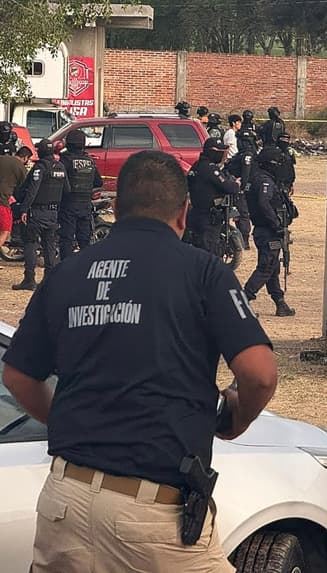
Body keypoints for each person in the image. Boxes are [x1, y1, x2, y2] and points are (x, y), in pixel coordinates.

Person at [1, 149, 277, 573]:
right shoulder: (203, 272)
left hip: (64, 502)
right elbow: (259, 374)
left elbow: (18, 375)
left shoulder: (68, 272)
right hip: (151, 513)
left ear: (116, 207)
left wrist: (74, 421)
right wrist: (235, 419)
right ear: (184, 212)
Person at [243, 146, 296, 317]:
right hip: (268, 231)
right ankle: (243, 300)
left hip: (264, 230)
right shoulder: (264, 181)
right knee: (266, 268)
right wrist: (276, 225)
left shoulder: (258, 177)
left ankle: (280, 303)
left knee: (272, 268)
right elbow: (264, 204)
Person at [12, 140, 68, 291]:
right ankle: (49, 280)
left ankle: (29, 279)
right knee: (49, 245)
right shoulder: (61, 167)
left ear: (41, 152)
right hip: (53, 212)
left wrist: (24, 209)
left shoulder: (40, 167)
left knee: (30, 243)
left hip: (37, 212)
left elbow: (32, 190)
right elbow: (67, 190)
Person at [186, 138, 239, 256]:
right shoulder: (210, 169)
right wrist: (236, 184)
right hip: (209, 217)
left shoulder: (196, 166)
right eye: (220, 152)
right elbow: (228, 187)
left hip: (196, 213)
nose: (222, 155)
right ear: (213, 152)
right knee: (209, 251)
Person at [58, 129, 103, 260]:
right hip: (85, 206)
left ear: (68, 143)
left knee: (66, 240)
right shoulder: (90, 161)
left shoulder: (64, 160)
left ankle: (65, 267)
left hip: (68, 205)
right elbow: (98, 182)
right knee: (84, 240)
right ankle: (85, 267)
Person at [224, 135, 256, 249]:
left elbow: (246, 173)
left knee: (243, 214)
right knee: (238, 214)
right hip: (237, 187)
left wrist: (241, 187)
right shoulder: (240, 155)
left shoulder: (247, 155)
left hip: (243, 189)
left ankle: (244, 240)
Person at [0, 147, 30, 258]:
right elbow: (26, 186)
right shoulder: (20, 167)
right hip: (2, 201)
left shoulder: (2, 158)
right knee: (5, 231)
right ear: (25, 157)